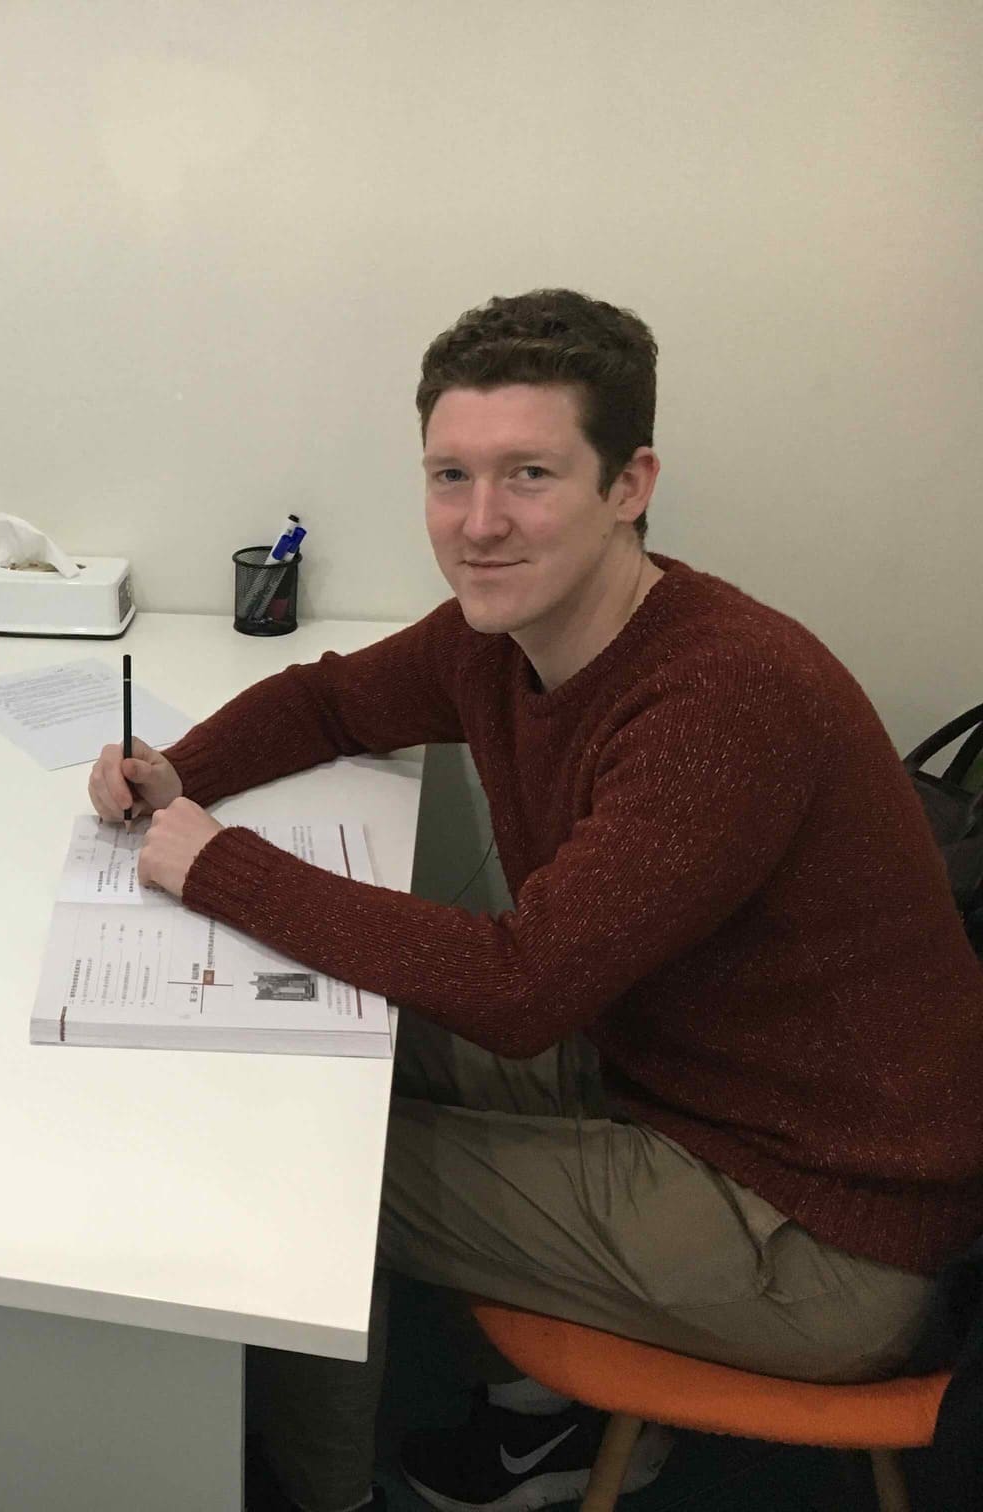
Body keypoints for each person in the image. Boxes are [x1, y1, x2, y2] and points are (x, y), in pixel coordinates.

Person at [89, 289, 983, 1512]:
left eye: (529, 475)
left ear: (630, 486)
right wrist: (182, 769)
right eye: (449, 476)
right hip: (680, 1077)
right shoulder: (505, 632)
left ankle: (323, 1494)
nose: (479, 523)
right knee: (341, 1065)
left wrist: (221, 866)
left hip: (824, 1227)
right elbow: (336, 700)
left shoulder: (719, 700)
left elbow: (522, 986)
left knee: (311, 1179)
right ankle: (540, 1428)